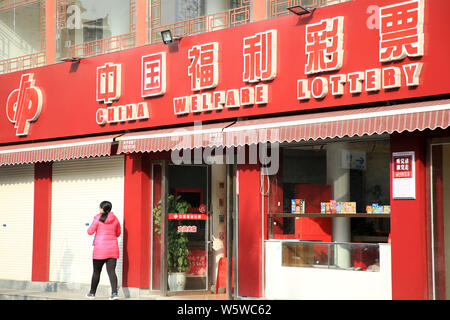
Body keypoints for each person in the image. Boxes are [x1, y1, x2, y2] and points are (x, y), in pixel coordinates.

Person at [86, 201, 121, 300]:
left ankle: (92, 294)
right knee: (112, 272)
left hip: (99, 250)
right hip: (112, 250)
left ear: (102, 209)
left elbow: (90, 232)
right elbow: (118, 233)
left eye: (100, 207)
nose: (99, 209)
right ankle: (114, 293)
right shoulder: (115, 219)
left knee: (96, 272)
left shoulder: (97, 219)